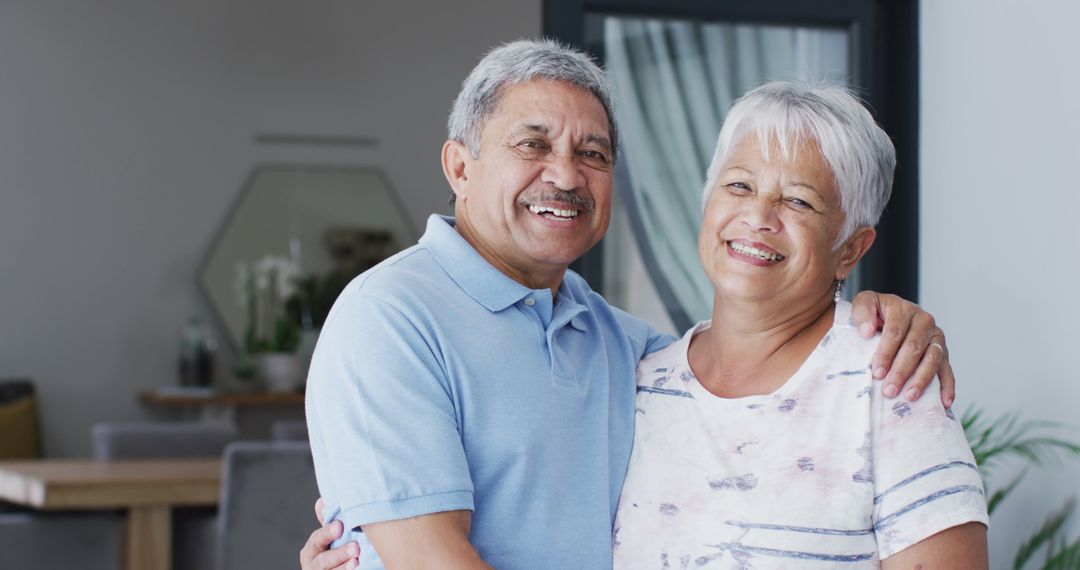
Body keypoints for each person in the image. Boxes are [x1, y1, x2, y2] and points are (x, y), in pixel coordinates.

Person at [302, 39, 955, 570]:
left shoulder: (637, 355)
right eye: (533, 143)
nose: (565, 175)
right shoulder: (390, 318)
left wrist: (892, 320)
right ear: (460, 167)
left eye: (593, 154)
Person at [611, 81, 987, 568]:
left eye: (799, 202)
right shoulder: (639, 379)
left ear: (850, 248)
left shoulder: (888, 381)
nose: (758, 217)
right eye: (740, 185)